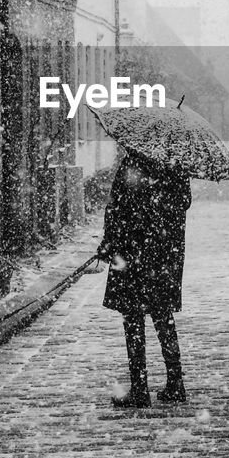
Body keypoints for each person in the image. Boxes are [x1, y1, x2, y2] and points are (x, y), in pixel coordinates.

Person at [97, 149, 192, 408]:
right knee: (163, 317)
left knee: (133, 319)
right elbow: (183, 202)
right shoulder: (176, 164)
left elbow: (116, 207)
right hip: (163, 254)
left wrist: (109, 242)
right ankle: (175, 382)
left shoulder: (134, 161)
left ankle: (140, 388)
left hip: (133, 253)